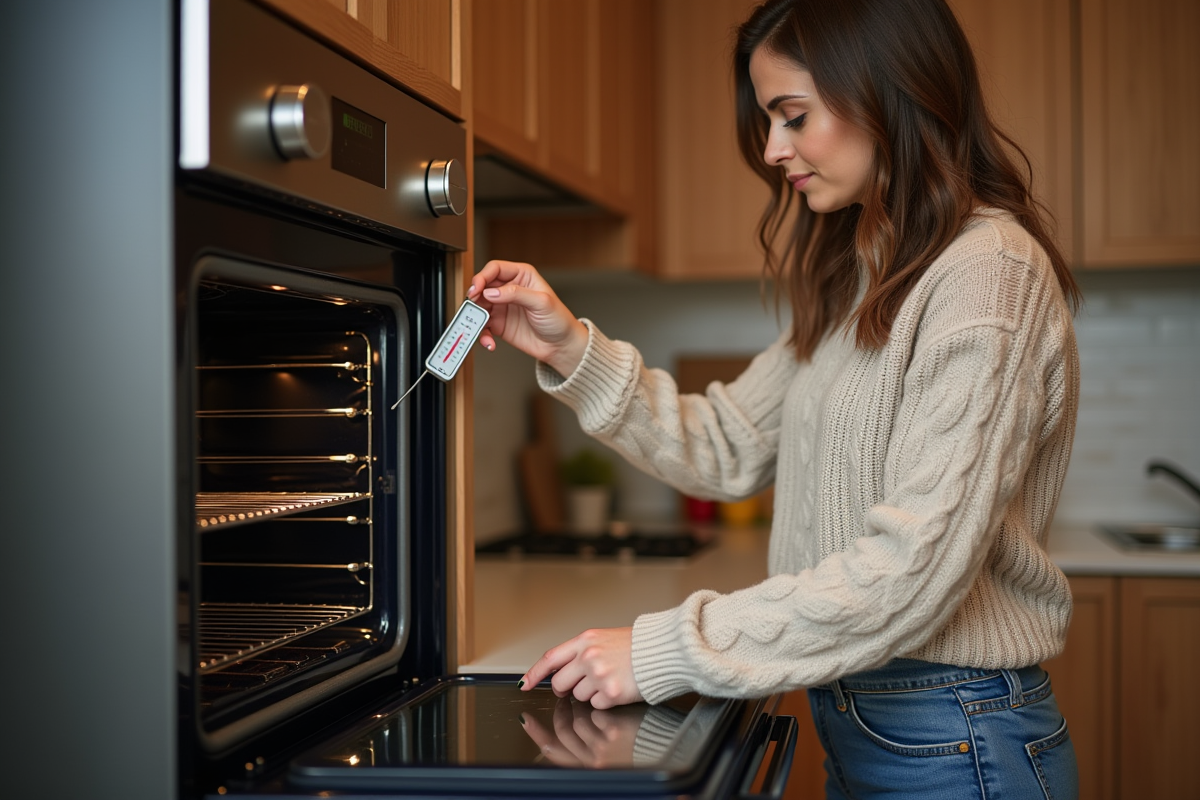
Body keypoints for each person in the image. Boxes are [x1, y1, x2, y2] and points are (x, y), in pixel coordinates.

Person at [467, 0, 1082, 796]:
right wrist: (570, 350)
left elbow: (915, 569)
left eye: (794, 116)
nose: (771, 149)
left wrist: (664, 651)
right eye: (768, 120)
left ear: (892, 92)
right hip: (877, 716)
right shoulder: (864, 275)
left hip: (955, 732)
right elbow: (726, 444)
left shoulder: (989, 272)